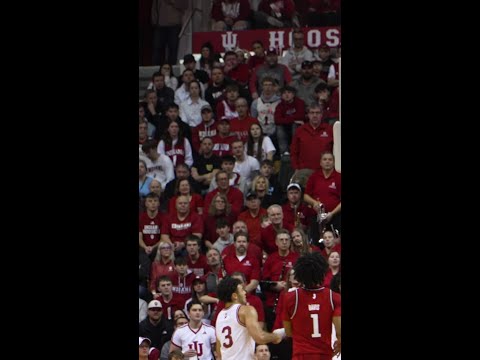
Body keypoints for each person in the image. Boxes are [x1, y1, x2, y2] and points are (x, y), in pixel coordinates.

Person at [283, 252, 341, 359]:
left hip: (301, 354)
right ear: (323, 273)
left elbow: (288, 331)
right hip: (324, 354)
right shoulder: (334, 297)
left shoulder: (291, 297)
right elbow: (339, 330)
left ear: (300, 274)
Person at [215, 276, 282, 359]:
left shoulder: (219, 316)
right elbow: (260, 337)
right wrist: (276, 336)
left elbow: (219, 351)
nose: (245, 292)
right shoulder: (246, 310)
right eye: (242, 290)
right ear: (235, 296)